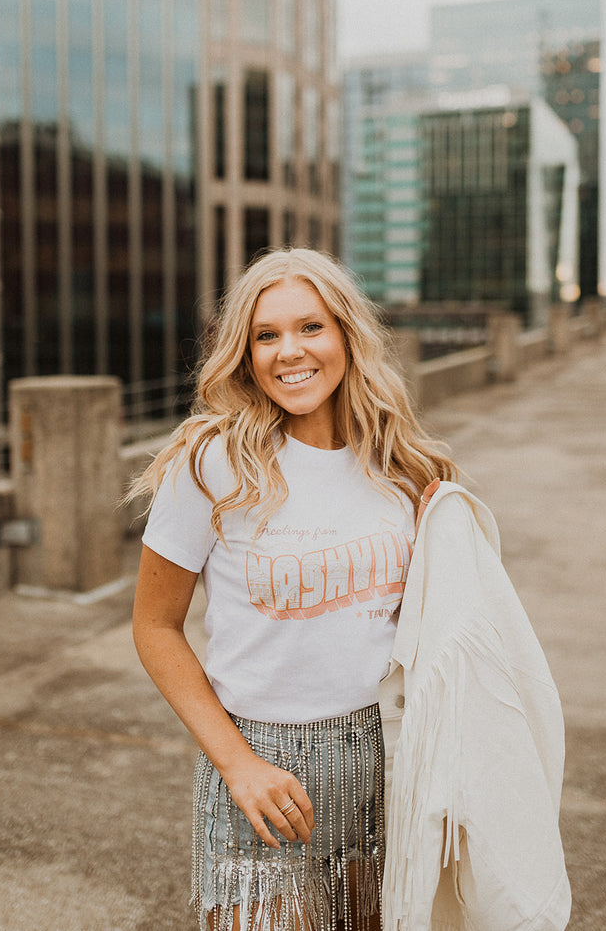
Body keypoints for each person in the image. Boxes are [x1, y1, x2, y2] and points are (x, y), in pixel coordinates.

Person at [129, 247, 454, 931]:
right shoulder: (213, 463)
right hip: (261, 769)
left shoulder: (401, 464)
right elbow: (155, 627)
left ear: (345, 335)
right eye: (265, 335)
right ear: (244, 355)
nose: (289, 352)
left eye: (310, 327)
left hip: (384, 756)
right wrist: (240, 767)